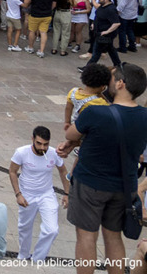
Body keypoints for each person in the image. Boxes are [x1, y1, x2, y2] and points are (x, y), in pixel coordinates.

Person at [58, 63, 147, 274]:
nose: (108, 81)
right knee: (113, 236)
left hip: (91, 184)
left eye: (112, 77)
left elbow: (70, 134)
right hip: (124, 187)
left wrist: (74, 142)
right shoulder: (144, 117)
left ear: (121, 83)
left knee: (87, 236)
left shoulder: (95, 113)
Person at [9, 125, 68, 262]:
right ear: (32, 139)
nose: (42, 148)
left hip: (46, 194)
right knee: (24, 228)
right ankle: (23, 255)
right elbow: (12, 171)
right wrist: (18, 194)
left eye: (45, 144)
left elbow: (63, 171)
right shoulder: (21, 152)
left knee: (52, 230)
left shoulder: (53, 153)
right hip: (27, 194)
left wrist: (67, 193)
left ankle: (37, 258)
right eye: (39, 143)